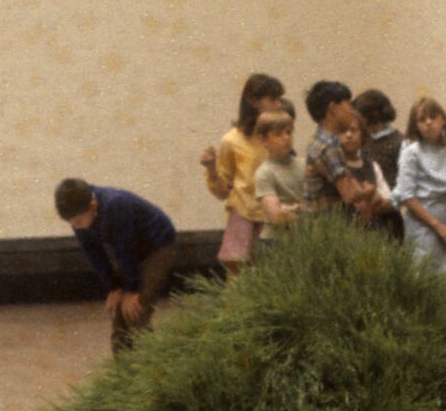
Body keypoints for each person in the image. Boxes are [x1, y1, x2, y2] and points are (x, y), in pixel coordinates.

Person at [54, 178, 178, 354]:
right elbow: (94, 253)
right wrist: (115, 286)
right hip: (133, 252)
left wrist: (132, 290)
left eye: (78, 221)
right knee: (120, 317)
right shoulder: (79, 216)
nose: (76, 226)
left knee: (136, 310)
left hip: (159, 246)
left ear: (93, 205)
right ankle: (122, 372)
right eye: (71, 222)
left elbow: (125, 249)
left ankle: (155, 366)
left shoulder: (116, 205)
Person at [199, 72, 285, 276]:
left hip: (273, 216)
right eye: (273, 100)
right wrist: (211, 168)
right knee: (239, 274)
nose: (279, 105)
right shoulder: (232, 140)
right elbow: (222, 192)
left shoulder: (278, 138)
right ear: (254, 101)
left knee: (275, 273)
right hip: (244, 214)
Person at [393, 96, 446, 274]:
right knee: (425, 274)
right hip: (423, 223)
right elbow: (407, 195)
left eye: (433, 117)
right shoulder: (411, 153)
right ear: (415, 125)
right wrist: (437, 226)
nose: (429, 123)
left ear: (443, 120)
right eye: (422, 120)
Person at [302, 80, 370, 216]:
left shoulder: (320, 140)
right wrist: (369, 190)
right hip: (325, 226)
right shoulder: (328, 146)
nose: (351, 110)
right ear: (333, 108)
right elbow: (349, 194)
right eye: (348, 104)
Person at [353, 89, 405, 241]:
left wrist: (387, 202)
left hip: (389, 215)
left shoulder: (399, 143)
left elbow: (404, 184)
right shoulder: (361, 143)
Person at [251, 110, 303, 241]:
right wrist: (303, 209)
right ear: (264, 140)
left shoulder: (304, 165)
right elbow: (275, 216)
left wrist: (289, 209)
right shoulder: (265, 172)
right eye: (278, 134)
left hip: (302, 237)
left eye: (289, 133)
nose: (286, 138)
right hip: (275, 241)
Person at [338, 112, 395, 231]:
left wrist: (375, 198)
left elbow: (388, 201)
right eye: (343, 131)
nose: (348, 135)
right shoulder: (335, 168)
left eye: (353, 130)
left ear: (362, 134)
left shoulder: (372, 166)